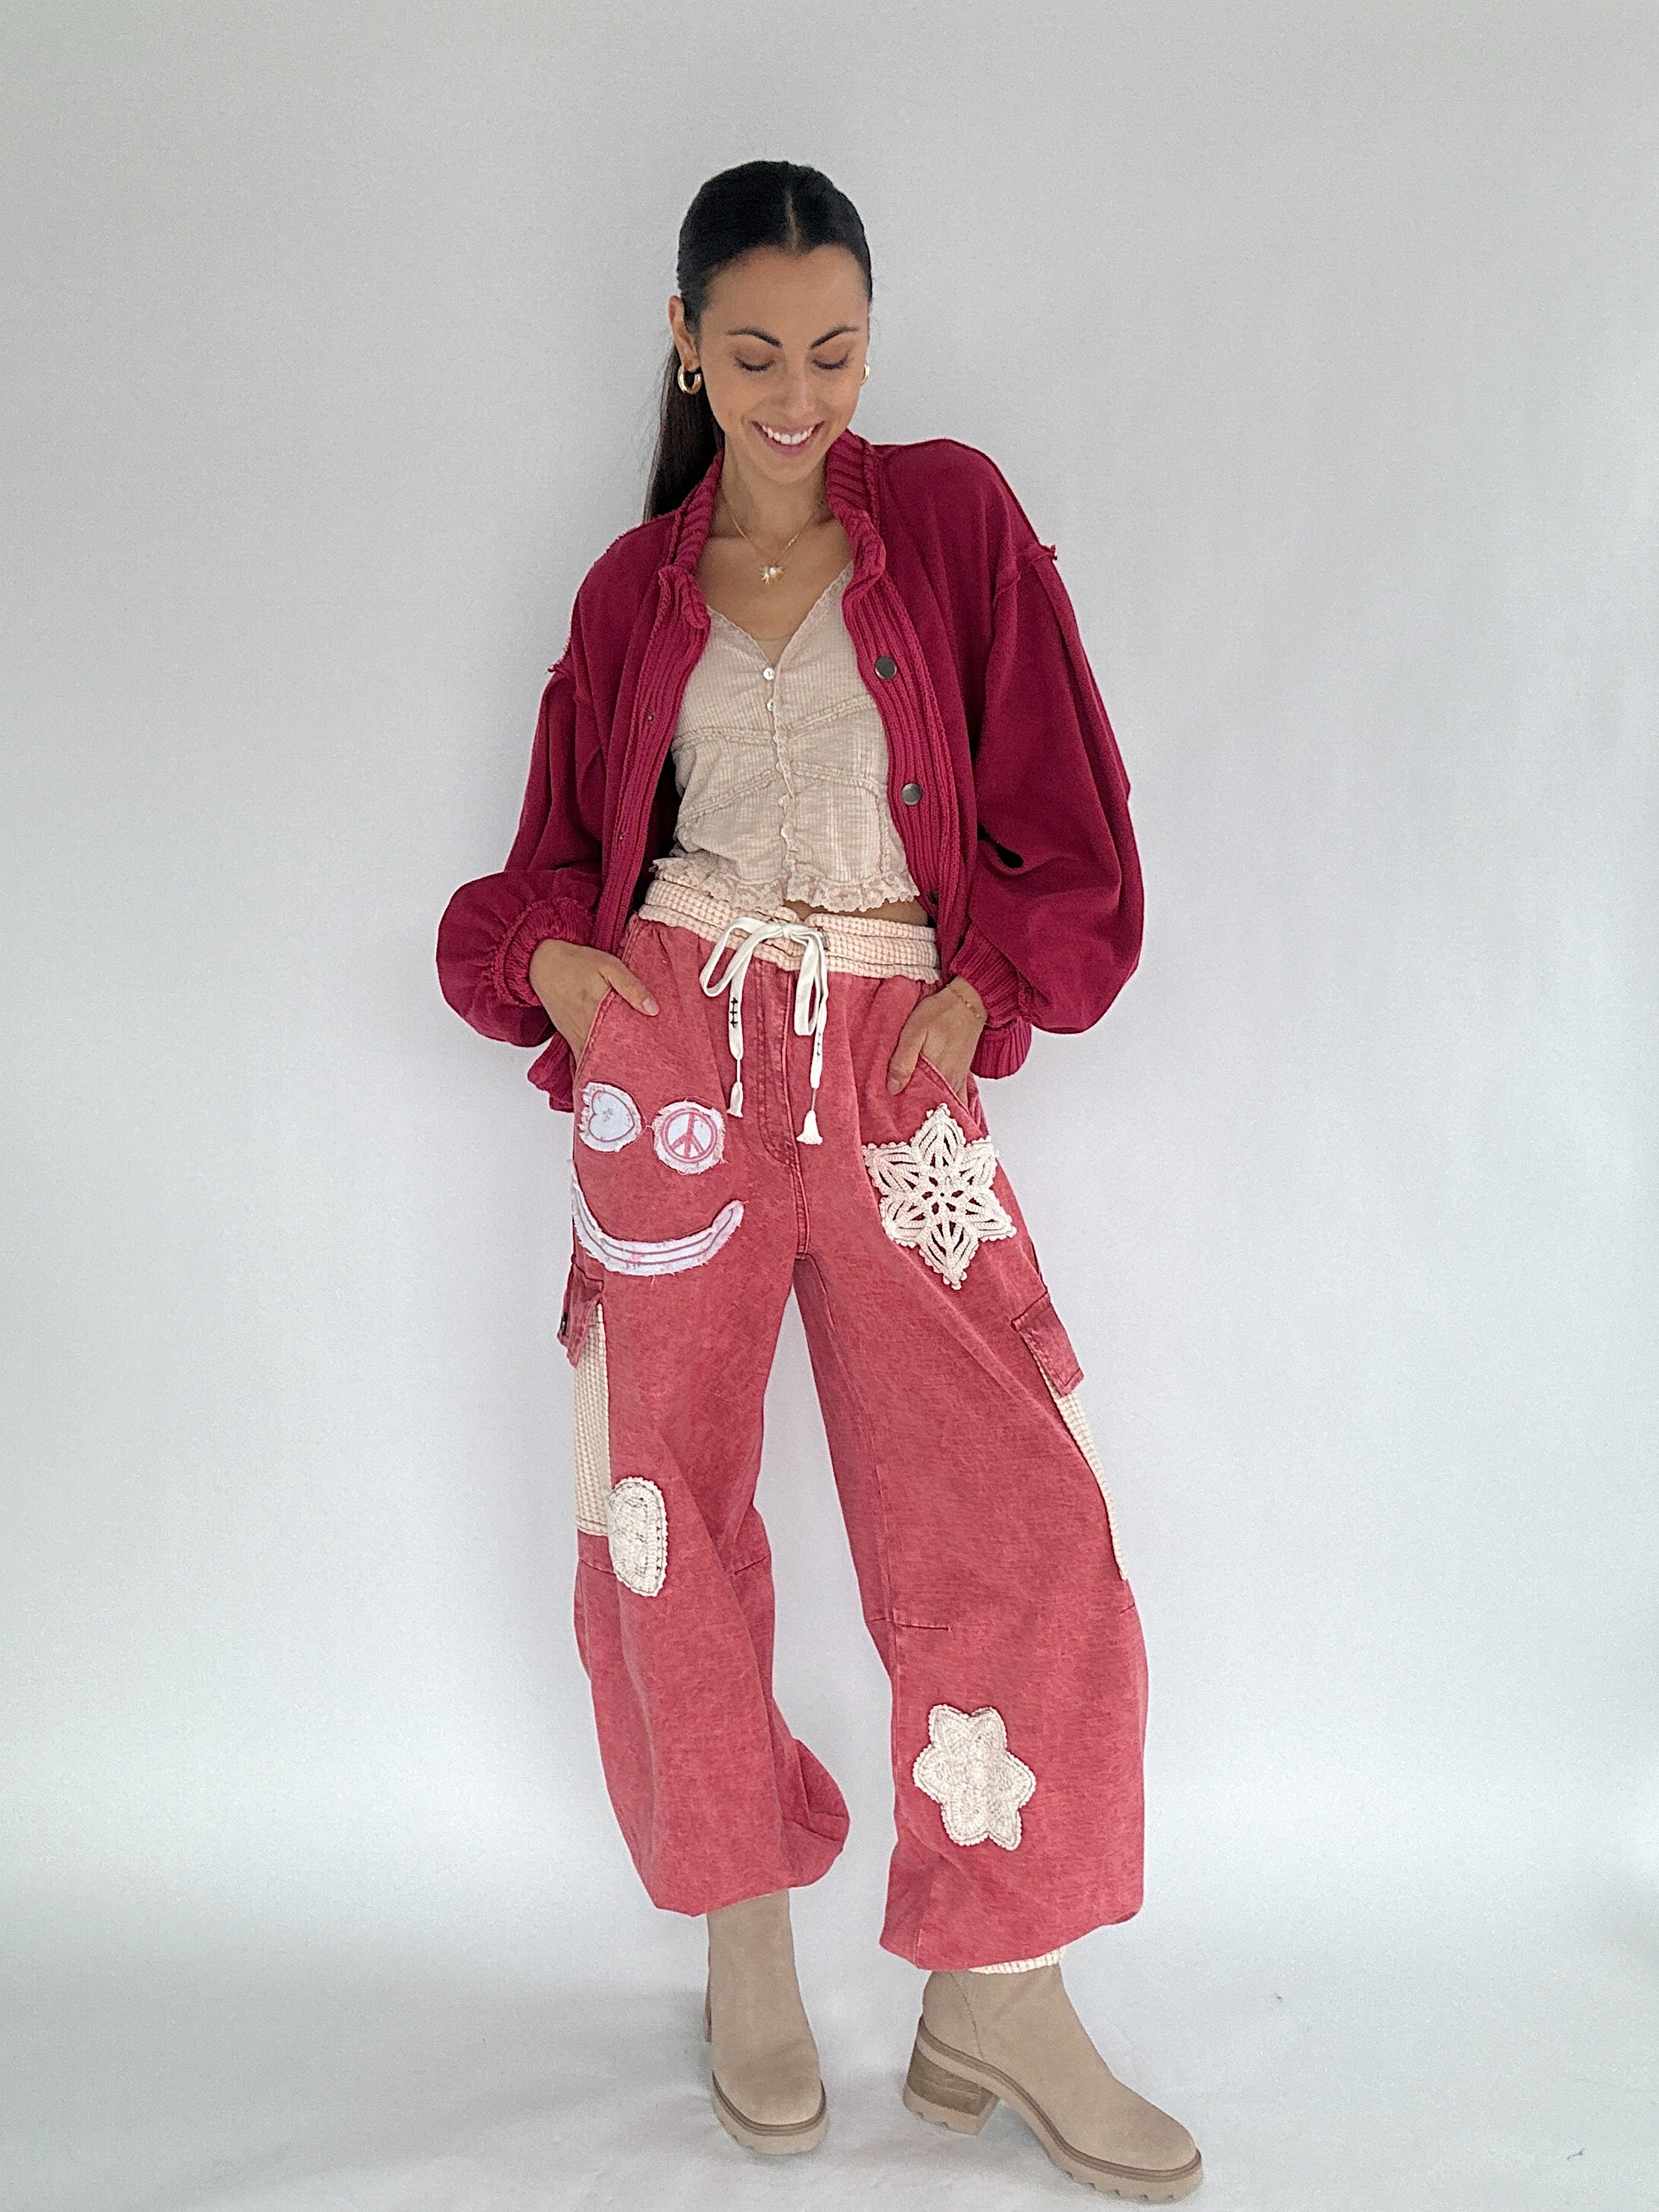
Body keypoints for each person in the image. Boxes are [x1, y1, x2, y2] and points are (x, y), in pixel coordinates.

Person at [436, 159, 1202, 2200]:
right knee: (656, 1518)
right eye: (755, 353)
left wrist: (977, 1005)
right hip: (673, 1067)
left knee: (1020, 1507)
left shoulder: (945, 520)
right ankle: (741, 1934)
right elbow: (525, 879)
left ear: (875, 339)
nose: (799, 393)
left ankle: (997, 1983)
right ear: (685, 344)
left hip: (885, 1060)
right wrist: (569, 975)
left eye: (835, 350)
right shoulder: (630, 591)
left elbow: (1068, 826)